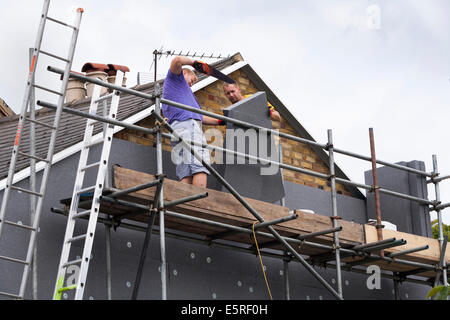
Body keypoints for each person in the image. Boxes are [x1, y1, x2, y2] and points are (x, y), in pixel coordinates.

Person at [162, 56, 222, 188]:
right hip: (188, 126)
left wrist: (219, 122)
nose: (191, 85)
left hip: (177, 130)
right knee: (200, 163)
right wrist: (194, 63)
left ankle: (185, 205)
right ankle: (198, 200)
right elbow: (176, 60)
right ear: (184, 73)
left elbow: (200, 116)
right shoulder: (176, 80)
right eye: (192, 81)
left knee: (186, 170)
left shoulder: (182, 96)